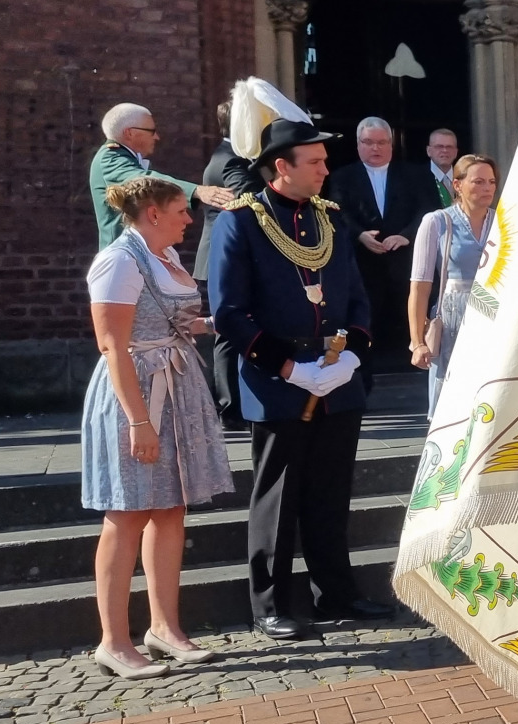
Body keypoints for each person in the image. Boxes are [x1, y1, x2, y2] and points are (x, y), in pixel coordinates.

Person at [208, 107, 394, 639]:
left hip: (337, 376)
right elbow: (230, 313)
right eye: (314, 161)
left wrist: (352, 356)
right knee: (278, 495)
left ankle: (337, 592)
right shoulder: (242, 222)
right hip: (279, 380)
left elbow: (357, 297)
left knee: (330, 492)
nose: (325, 169)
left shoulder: (329, 218)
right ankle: (270, 603)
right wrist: (289, 368)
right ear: (280, 167)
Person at [82, 176, 231, 679]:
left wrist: (219, 323)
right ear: (153, 213)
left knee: (169, 509)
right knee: (127, 512)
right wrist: (138, 421)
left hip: (176, 384)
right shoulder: (119, 261)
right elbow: (112, 344)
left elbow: (173, 321)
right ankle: (113, 641)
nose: (190, 218)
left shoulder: (164, 256)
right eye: (181, 210)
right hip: (136, 393)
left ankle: (164, 628)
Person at [326, 117, 439, 372]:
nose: (375, 148)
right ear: (358, 144)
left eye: (381, 142)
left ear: (391, 144)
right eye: (368, 142)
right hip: (364, 265)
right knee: (366, 322)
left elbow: (429, 209)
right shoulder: (342, 177)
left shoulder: (416, 174)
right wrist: (360, 235)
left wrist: (406, 235)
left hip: (406, 263)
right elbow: (337, 213)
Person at [408, 152, 498, 415]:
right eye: (478, 182)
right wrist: (417, 342)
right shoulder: (437, 221)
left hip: (495, 314)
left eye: (491, 182)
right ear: (457, 185)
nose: (487, 188)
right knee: (454, 401)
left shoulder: (503, 222)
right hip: (453, 317)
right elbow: (420, 287)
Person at [194, 91, 260, 428]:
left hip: (220, 260)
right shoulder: (232, 160)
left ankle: (232, 405)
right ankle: (230, 407)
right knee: (228, 333)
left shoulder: (228, 155)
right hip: (226, 261)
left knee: (228, 331)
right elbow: (249, 201)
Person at [89, 103, 233, 249]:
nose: (157, 137)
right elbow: (143, 179)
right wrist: (197, 191)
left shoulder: (124, 157)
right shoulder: (109, 158)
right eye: (151, 131)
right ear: (129, 133)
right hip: (123, 253)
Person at [426, 127, 460, 207]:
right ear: (429, 151)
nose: (445, 150)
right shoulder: (413, 181)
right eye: (439, 146)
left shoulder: (464, 178)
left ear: (456, 152)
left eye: (449, 147)